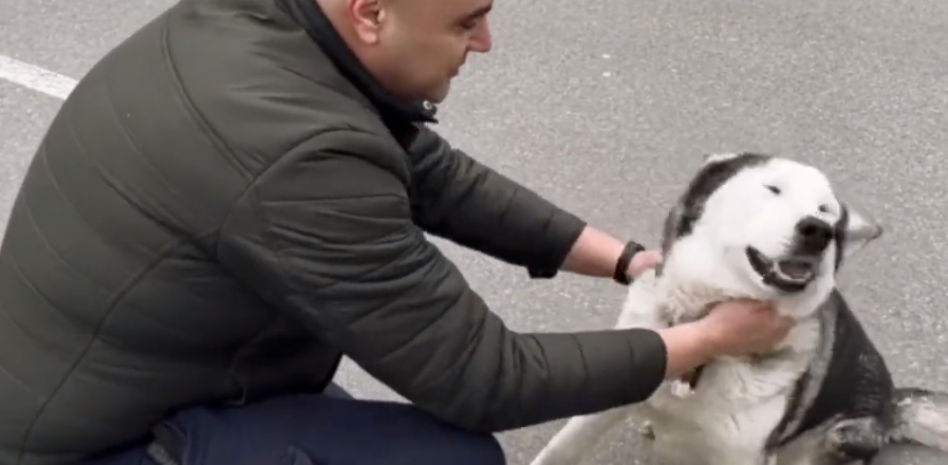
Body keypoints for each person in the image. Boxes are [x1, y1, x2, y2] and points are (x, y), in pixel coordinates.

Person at [0, 0, 794, 464]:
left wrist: (627, 262)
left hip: (97, 377)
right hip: (89, 446)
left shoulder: (273, 27)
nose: (485, 42)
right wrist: (711, 337)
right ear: (373, 14)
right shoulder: (298, 158)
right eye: (465, 21)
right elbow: (488, 376)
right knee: (454, 458)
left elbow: (428, 172)